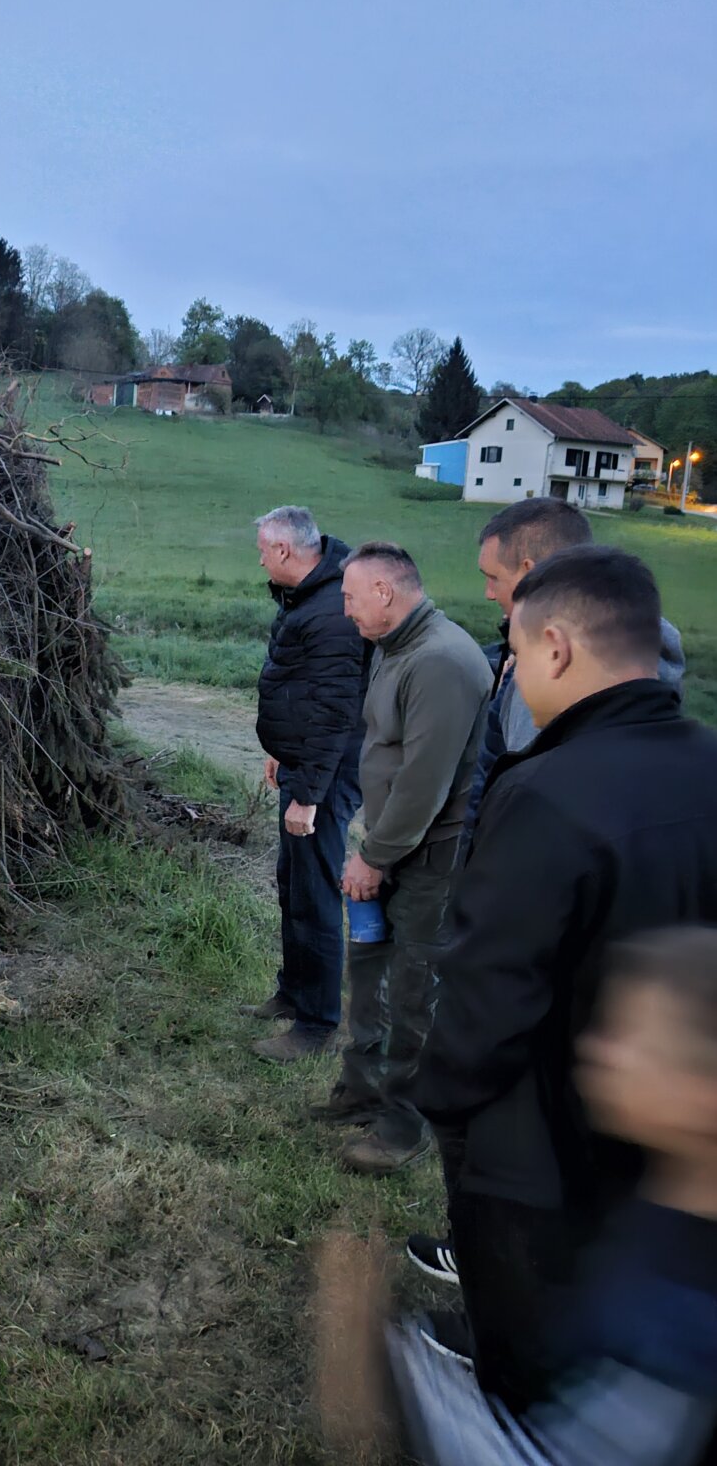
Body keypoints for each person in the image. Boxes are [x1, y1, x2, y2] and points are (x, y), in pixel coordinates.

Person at [413, 546, 717, 1412]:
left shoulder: (546, 791)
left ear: (556, 648)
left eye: (510, 649)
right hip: (679, 1144)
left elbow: (486, 995)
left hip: (542, 1154)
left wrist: (445, 1106)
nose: (508, 670)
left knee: (533, 1367)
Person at [316, 926, 717, 1466]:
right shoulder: (665, 1195)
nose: (598, 1047)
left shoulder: (684, 1324)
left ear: (703, 1097)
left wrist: (378, 1358)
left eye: (633, 1037)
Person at [317, 541, 491, 1174]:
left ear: (386, 593)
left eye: (350, 597)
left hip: (427, 858)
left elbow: (425, 781)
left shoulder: (441, 660)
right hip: (389, 844)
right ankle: (360, 1093)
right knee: (367, 972)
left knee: (414, 993)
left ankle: (401, 1127)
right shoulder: (396, 649)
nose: (346, 610)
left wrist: (375, 855)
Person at [461, 497, 684, 842]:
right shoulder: (643, 650)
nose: (489, 593)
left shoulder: (548, 676)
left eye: (493, 578)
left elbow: (530, 814)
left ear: (529, 572)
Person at [245, 506, 369, 1061]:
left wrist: (310, 795)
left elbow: (336, 712)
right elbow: (300, 688)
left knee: (316, 892)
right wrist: (281, 753)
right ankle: (294, 992)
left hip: (327, 772)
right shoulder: (307, 595)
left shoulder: (332, 613)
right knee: (291, 882)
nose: (260, 558)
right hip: (302, 763)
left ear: (287, 553)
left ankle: (317, 1024)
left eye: (263, 550)